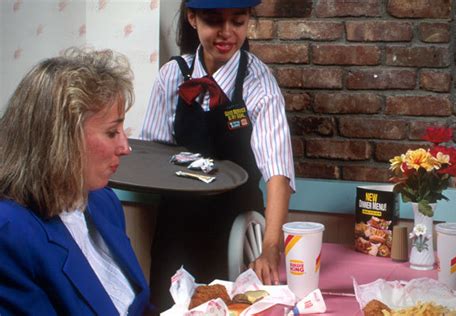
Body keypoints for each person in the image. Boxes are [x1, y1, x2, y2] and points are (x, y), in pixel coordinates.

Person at [140, 0, 294, 309]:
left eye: (237, 22)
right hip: (176, 228)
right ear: (193, 18)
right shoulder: (172, 76)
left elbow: (278, 173)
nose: (227, 33)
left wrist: (270, 250)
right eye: (213, 21)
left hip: (235, 226)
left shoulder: (258, 82)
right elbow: (151, 157)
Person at [0, 47, 154, 315]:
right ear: (60, 140)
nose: (125, 147)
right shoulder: (10, 234)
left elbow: (140, 306)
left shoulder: (103, 202)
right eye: (111, 132)